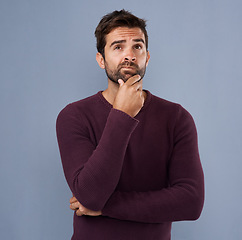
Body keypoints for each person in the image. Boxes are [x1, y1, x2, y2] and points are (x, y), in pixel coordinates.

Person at [56, 9, 204, 240]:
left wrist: (106, 207)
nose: (130, 55)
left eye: (137, 46)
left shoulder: (176, 118)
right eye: (118, 47)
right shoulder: (74, 116)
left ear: (147, 57)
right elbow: (90, 195)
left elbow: (191, 202)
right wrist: (121, 115)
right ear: (101, 60)